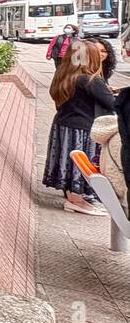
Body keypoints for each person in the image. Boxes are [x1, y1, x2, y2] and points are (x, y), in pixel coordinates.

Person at [43, 39, 117, 215]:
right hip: (83, 128)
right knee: (81, 165)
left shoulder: (64, 75)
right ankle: (77, 201)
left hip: (64, 125)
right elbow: (113, 103)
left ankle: (73, 197)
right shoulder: (90, 80)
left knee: (69, 164)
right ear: (90, 58)